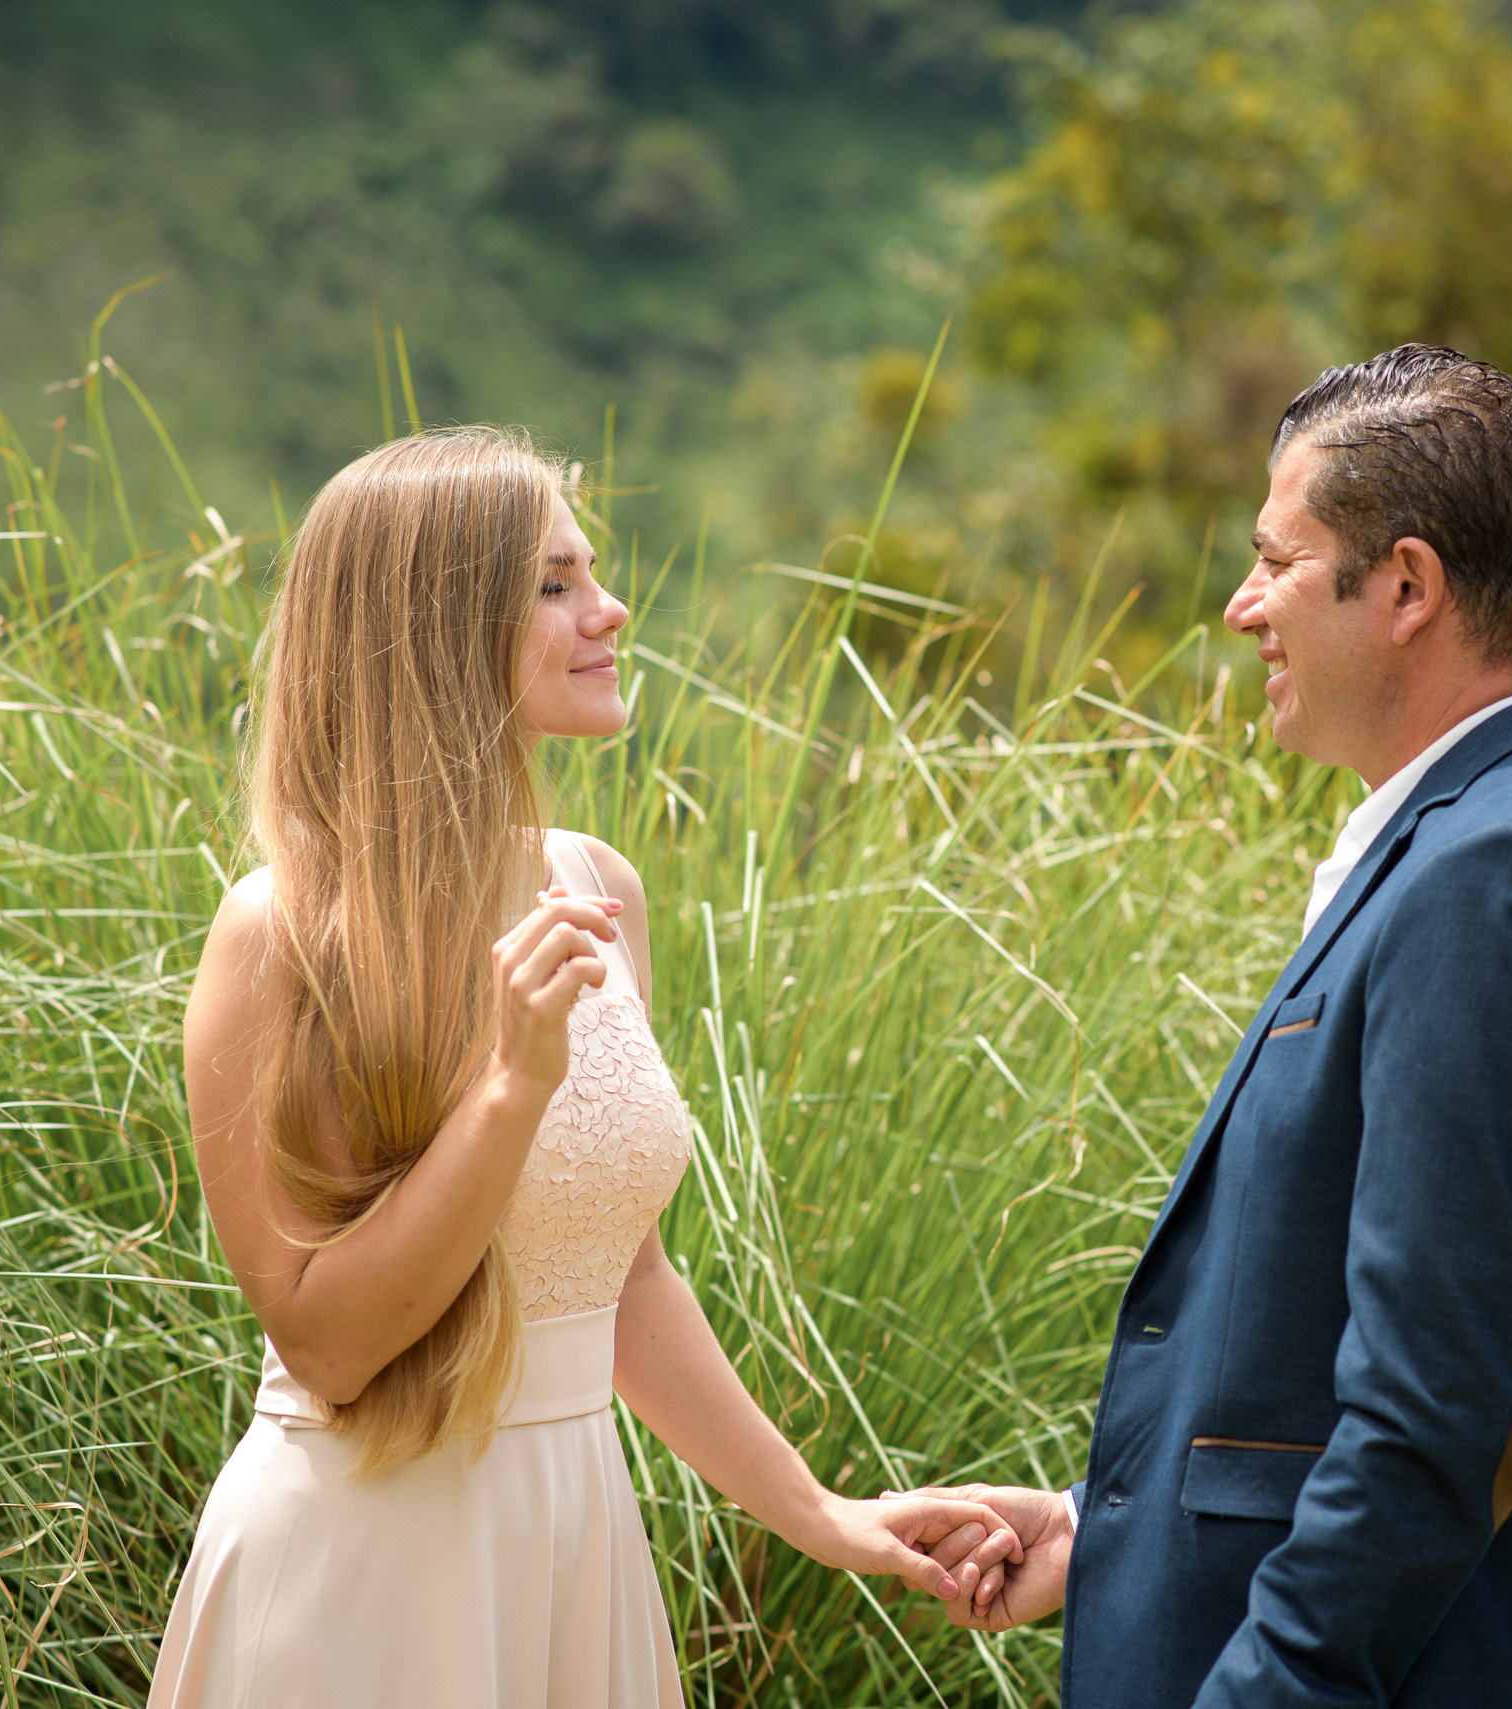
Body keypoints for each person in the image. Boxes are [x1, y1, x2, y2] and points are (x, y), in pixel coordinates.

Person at [150, 428, 1017, 1709]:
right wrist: (510, 1085)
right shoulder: (280, 935)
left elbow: (620, 1275)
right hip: (364, 1574)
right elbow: (329, 1347)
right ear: (437, 626)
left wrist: (824, 1514)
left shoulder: (597, 884)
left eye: (591, 573)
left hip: (577, 1539)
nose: (609, 611)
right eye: (553, 584)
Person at [900, 346, 1512, 1706]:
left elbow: (1436, 1418)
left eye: (1276, 560)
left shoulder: (1499, 878)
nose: (1240, 607)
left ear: (1406, 586)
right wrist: (1112, 1538)